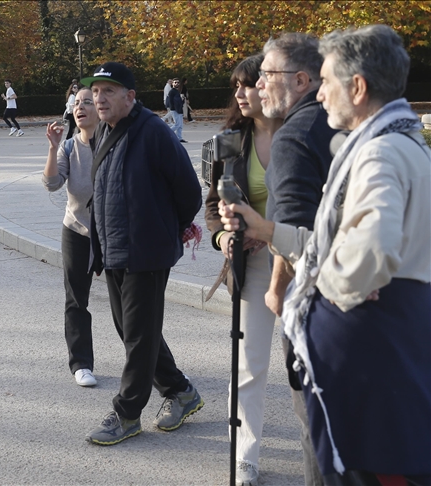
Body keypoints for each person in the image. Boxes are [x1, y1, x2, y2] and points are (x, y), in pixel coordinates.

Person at [219, 24, 430, 486]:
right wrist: (270, 230)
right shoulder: (400, 141)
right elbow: (345, 242)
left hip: (365, 353)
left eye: (328, 81)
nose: (321, 93)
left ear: (357, 88)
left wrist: (327, 291)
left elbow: (370, 250)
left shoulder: (380, 154)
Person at [79, 62, 203, 445]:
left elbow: (189, 193)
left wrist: (166, 230)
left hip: (145, 252)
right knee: (133, 330)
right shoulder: (105, 131)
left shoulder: (154, 133)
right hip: (115, 249)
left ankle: (126, 412)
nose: (99, 99)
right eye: (95, 92)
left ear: (130, 97)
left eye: (108, 91)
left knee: (137, 335)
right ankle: (181, 391)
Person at [257, 32, 339, 486]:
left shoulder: (294, 136)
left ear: (301, 80)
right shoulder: (344, 123)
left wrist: (275, 290)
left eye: (268, 74)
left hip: (315, 309)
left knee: (316, 429)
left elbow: (291, 233)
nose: (259, 83)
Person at [204, 54, 283, 486]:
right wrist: (223, 237)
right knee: (250, 362)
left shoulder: (304, 136)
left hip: (302, 259)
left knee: (307, 362)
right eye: (236, 85)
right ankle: (246, 456)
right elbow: (213, 207)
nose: (240, 93)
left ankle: (321, 450)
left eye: (248, 84)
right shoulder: (230, 141)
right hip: (252, 264)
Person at [42, 86, 100, 388]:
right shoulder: (68, 147)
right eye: (77, 103)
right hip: (76, 229)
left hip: (112, 233)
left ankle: (147, 361)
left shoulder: (112, 142)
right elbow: (51, 183)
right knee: (76, 299)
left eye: (87, 102)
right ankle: (81, 363)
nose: (81, 108)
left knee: (127, 302)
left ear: (100, 109)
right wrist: (53, 147)